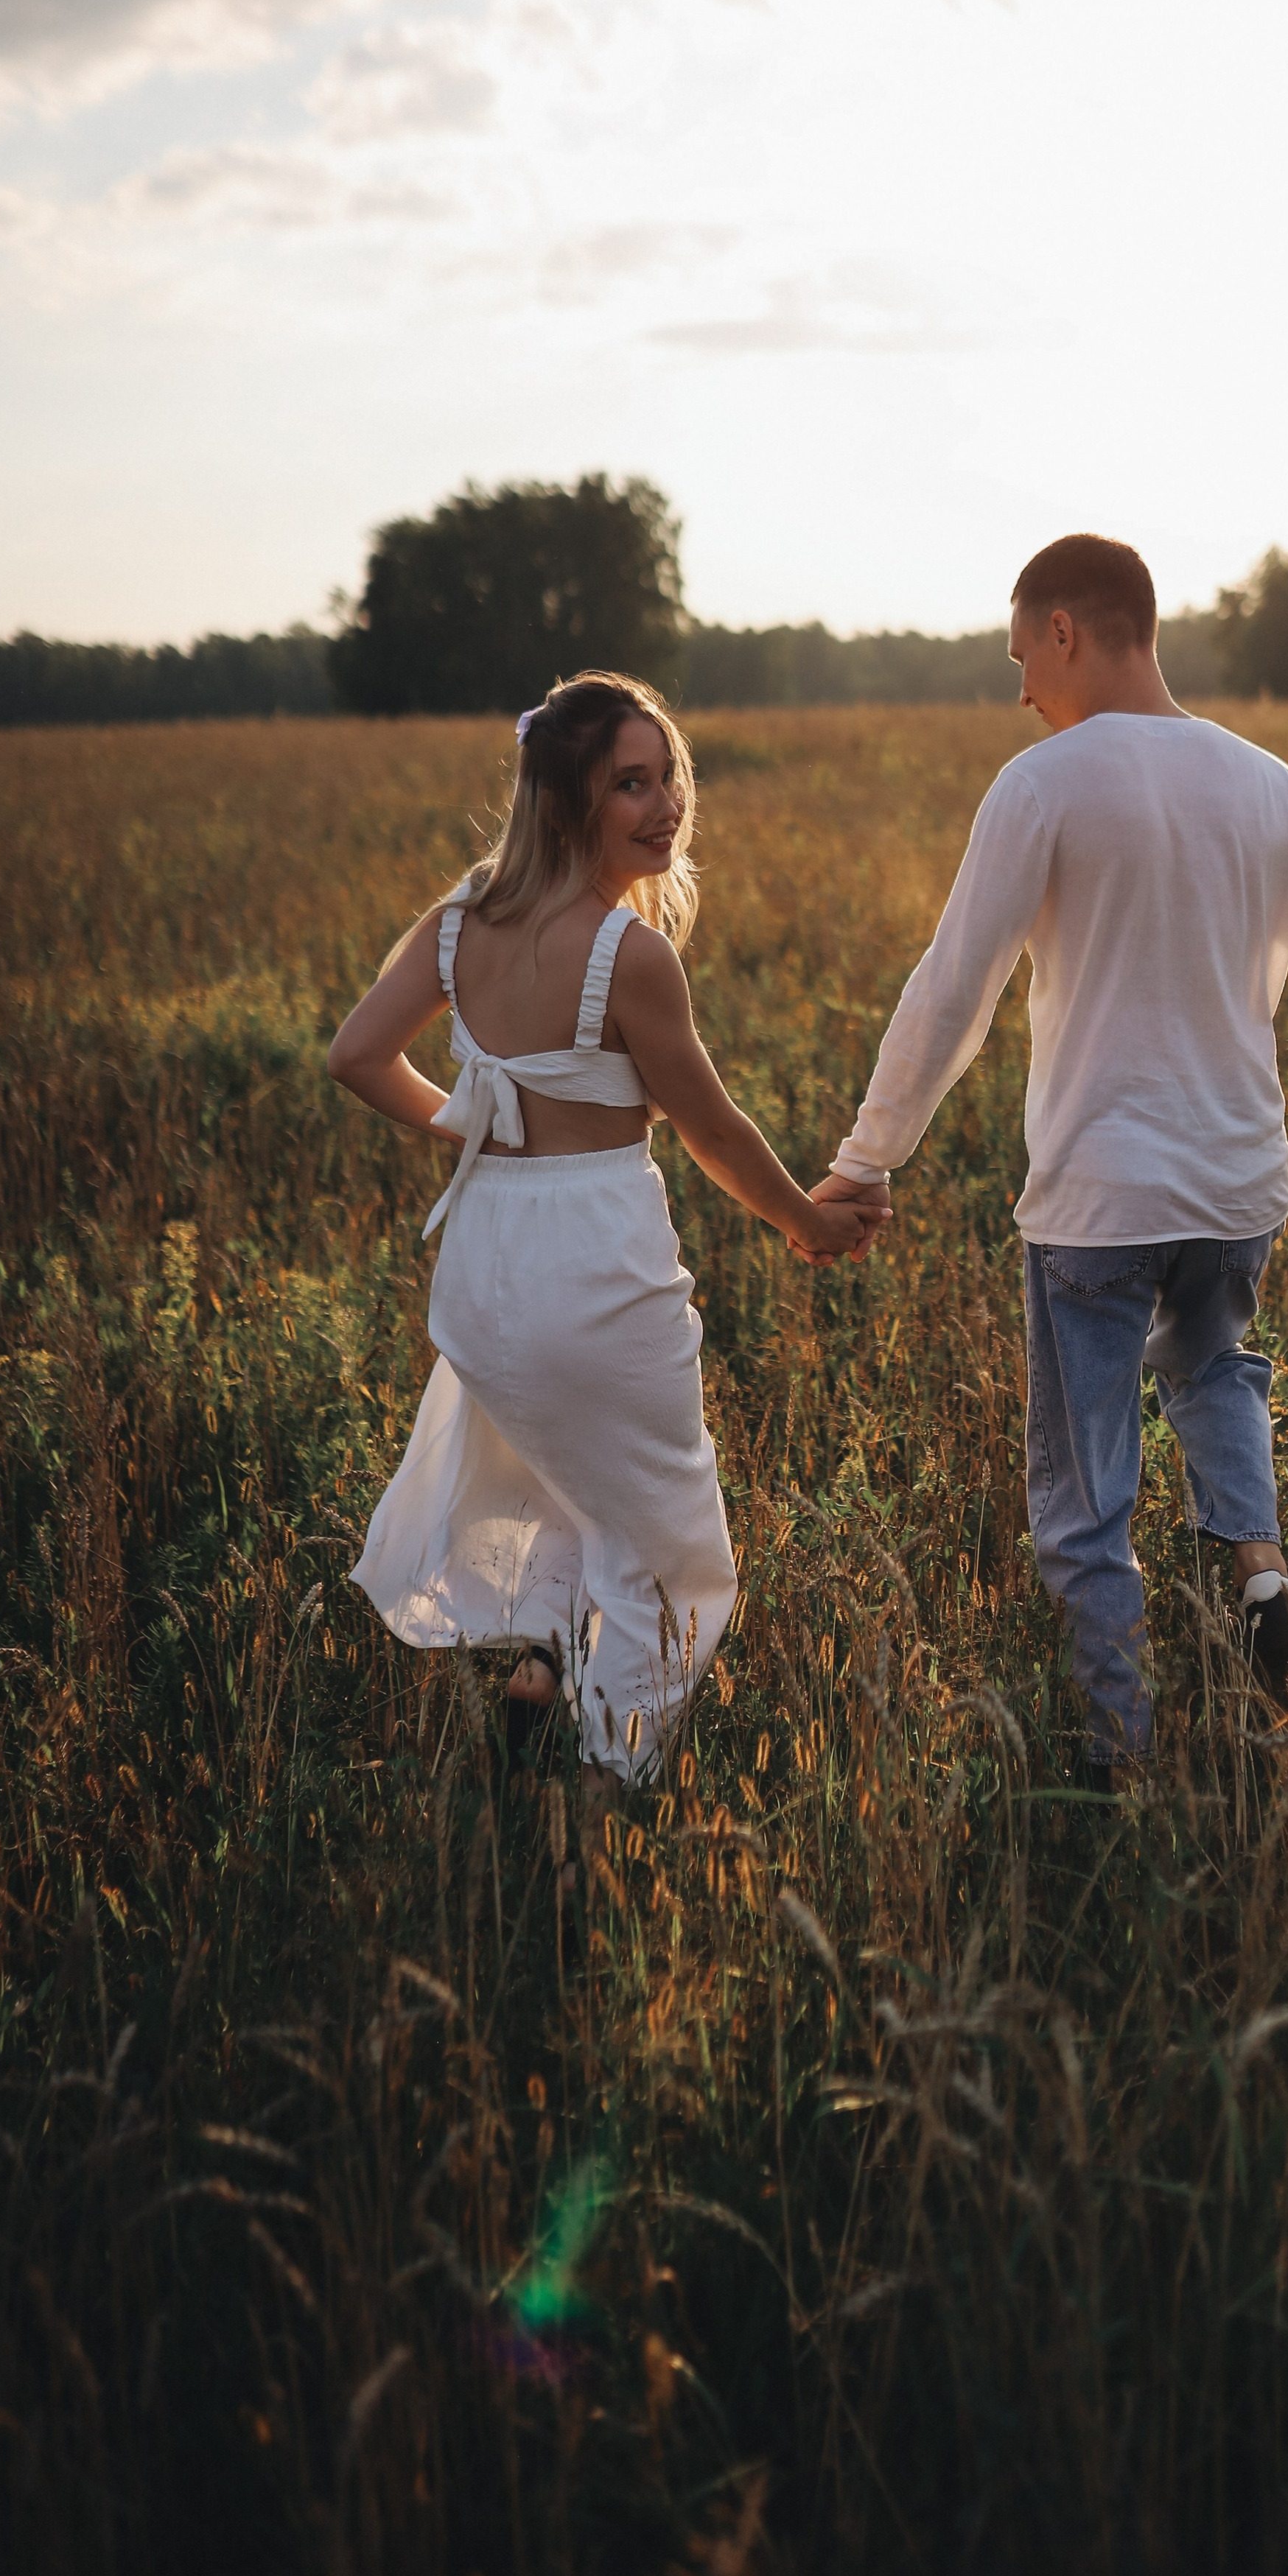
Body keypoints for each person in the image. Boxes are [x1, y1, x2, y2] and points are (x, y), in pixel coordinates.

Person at [811, 536, 1288, 1782]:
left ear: (1068, 630)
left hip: (1097, 1201)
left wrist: (867, 1160)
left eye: (1023, 655)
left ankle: (1120, 1764)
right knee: (1215, 1364)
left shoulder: (1044, 784)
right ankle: (1263, 1566)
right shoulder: (1270, 785)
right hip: (1237, 1191)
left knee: (1085, 1501)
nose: (1022, 688)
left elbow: (954, 991)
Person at [329, 671, 881, 1835]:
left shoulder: (456, 928)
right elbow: (714, 1129)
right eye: (629, 783)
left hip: (484, 1266)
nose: (664, 803)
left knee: (565, 1479)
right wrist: (806, 1222)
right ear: (567, 801)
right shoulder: (629, 955)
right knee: (675, 1550)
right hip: (589, 1259)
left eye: (668, 774)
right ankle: (598, 1805)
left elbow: (357, 1056)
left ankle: (541, 1683)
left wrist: (468, 1118)